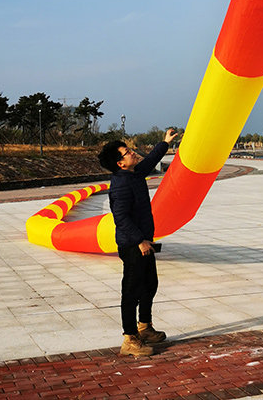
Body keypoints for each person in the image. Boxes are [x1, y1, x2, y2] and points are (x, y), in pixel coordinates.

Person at [98, 128, 178, 357]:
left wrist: (165, 143)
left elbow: (150, 160)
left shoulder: (133, 174)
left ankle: (145, 327)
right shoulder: (121, 184)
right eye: (127, 152)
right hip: (133, 244)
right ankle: (130, 338)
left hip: (144, 241)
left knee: (150, 284)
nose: (132, 152)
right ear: (120, 163)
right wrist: (139, 240)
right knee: (131, 291)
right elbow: (120, 217)